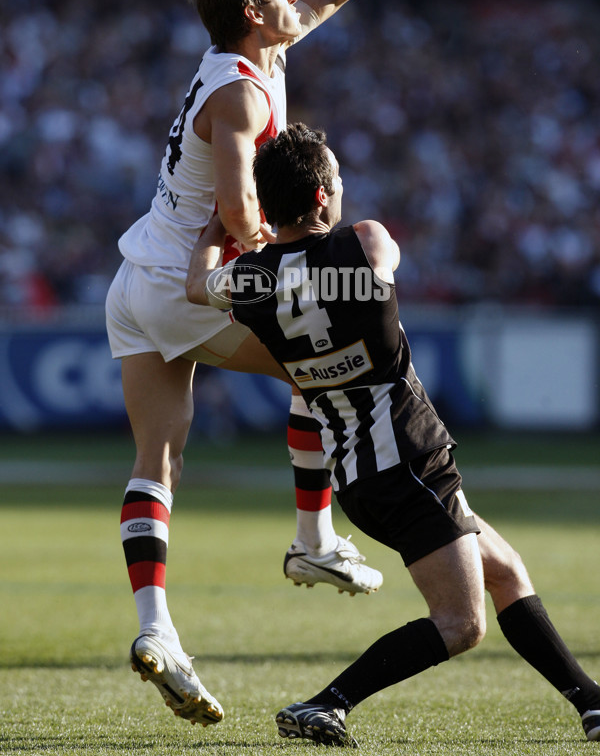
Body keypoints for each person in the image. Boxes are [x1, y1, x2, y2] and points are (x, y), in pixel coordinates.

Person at [105, 0, 428, 726]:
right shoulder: (245, 96)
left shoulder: (254, 59)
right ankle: (313, 540)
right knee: (321, 362)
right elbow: (244, 215)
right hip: (187, 283)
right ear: (255, 10)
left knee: (157, 463)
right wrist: (267, 252)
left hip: (134, 279)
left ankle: (158, 631)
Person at [186, 123, 600, 746]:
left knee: (507, 571)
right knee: (462, 625)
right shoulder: (366, 241)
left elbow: (197, 287)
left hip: (359, 471)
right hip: (408, 461)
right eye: (338, 181)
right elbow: (382, 264)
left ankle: (590, 705)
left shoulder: (255, 279)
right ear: (324, 195)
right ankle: (326, 703)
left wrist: (219, 229)